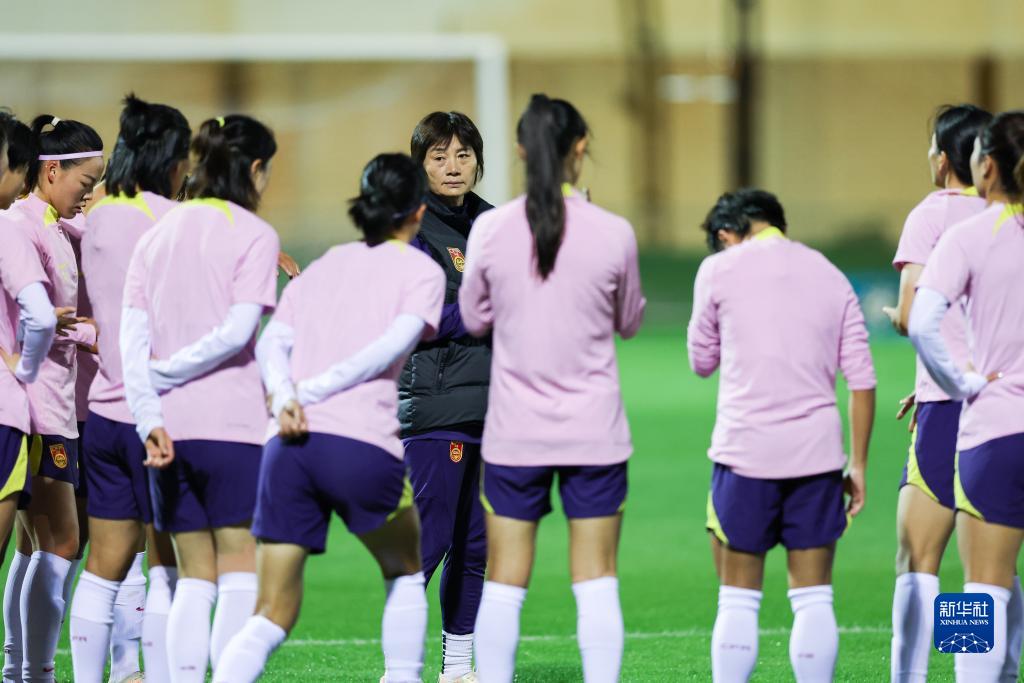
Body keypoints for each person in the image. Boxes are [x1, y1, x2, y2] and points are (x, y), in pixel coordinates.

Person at [212, 153, 445, 683]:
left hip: (287, 444)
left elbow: (271, 342)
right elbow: (389, 347)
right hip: (361, 445)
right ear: (419, 210)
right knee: (406, 570)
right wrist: (310, 391)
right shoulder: (421, 271)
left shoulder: (324, 265)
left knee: (270, 613)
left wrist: (285, 397)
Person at [459, 94, 645, 683]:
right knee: (596, 579)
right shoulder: (612, 231)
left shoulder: (490, 229)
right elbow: (630, 321)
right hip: (594, 432)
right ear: (580, 148)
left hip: (515, 433)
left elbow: (474, 318)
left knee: (505, 580)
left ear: (519, 150)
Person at [688, 189, 876, 683]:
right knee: (814, 598)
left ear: (727, 235)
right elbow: (862, 379)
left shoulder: (718, 270)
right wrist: (857, 465)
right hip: (817, 458)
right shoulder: (830, 274)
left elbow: (701, 362)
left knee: (738, 598)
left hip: (745, 453)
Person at [120, 114, 280, 682]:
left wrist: (148, 412)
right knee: (239, 570)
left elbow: (131, 339)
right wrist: (168, 373)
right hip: (231, 425)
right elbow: (238, 332)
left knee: (192, 577)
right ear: (255, 168)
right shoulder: (255, 234)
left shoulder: (157, 233)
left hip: (168, 427)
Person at [69, 94, 191, 683]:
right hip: (158, 413)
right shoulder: (174, 222)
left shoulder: (97, 216)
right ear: (171, 157)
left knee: (103, 565)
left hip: (104, 412)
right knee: (167, 565)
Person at [883, 104, 1000, 683]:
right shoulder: (1008, 220)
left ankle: (912, 677)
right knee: (988, 567)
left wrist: (899, 322)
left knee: (918, 559)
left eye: (933, 145)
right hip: (1006, 410)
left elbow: (913, 315)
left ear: (947, 158)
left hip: (950, 405)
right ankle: (984, 673)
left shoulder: (933, 215)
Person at [909, 110, 1024, 683]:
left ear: (988, 166)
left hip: (996, 429)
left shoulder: (969, 235)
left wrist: (961, 383)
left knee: (978, 589)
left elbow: (921, 320)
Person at [0, 115, 103, 683]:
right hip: (36, 403)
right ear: (50, 170)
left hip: (52, 401)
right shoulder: (22, 223)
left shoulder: (54, 224)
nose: (88, 194)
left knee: (33, 545)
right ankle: (34, 672)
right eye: (84, 182)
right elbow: (35, 317)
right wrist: (89, 334)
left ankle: (18, 668)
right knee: (62, 540)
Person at [400, 111, 493, 682]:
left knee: (476, 546)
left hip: (496, 411)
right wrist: (486, 308)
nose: (452, 167)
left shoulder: (496, 225)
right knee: (426, 545)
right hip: (437, 410)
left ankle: (457, 667)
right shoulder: (410, 227)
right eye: (438, 157)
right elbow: (418, 316)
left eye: (462, 155)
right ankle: (398, 668)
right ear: (420, 165)